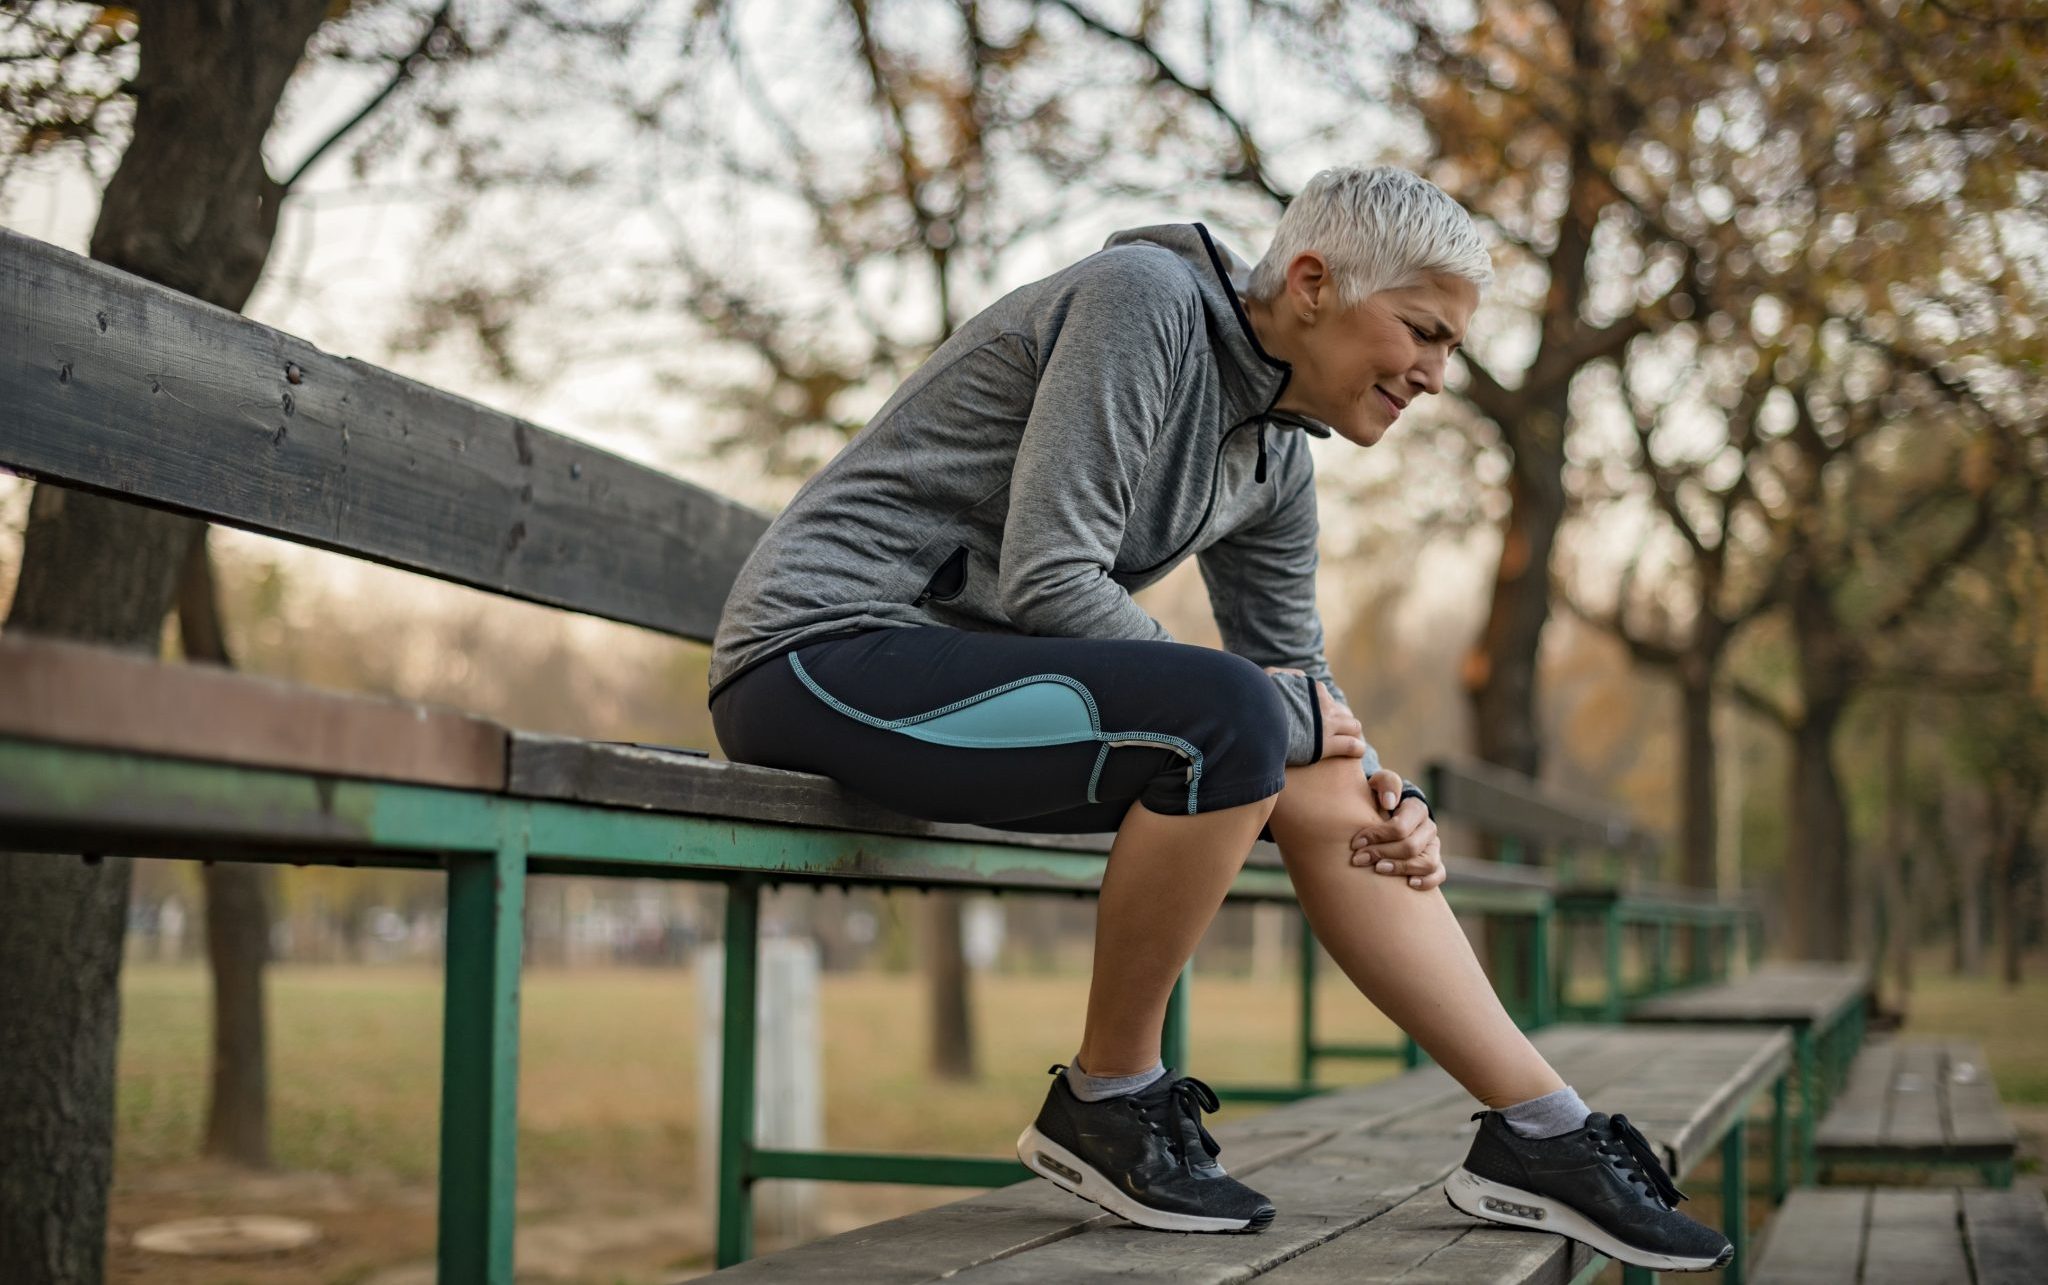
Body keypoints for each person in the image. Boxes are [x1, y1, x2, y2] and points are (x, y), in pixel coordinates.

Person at [706, 165, 1733, 1273]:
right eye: (1421, 332)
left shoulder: (1277, 455)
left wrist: (1392, 793)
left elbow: (1299, 673)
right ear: (1308, 283)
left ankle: (1542, 1132)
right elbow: (1054, 578)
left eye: (1448, 350)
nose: (1434, 375)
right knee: (1236, 718)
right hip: (817, 657)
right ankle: (1106, 1098)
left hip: (972, 688)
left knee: (1309, 760)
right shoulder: (1140, 301)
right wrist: (1277, 709)